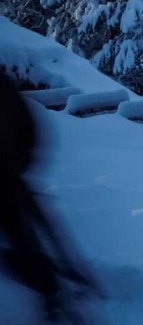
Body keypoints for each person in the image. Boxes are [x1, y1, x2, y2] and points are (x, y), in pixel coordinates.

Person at [0, 69, 99, 322]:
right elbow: (29, 127)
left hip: (9, 179)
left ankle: (57, 293)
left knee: (26, 238)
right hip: (14, 175)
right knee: (32, 233)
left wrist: (17, 167)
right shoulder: (4, 84)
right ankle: (67, 283)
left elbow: (25, 126)